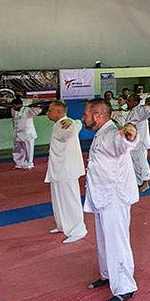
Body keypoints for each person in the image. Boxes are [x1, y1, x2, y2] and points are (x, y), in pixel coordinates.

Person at [81, 98, 141, 301]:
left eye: (86, 114)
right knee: (103, 240)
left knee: (116, 242)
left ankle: (125, 287)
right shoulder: (101, 133)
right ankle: (107, 274)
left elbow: (124, 140)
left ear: (97, 116)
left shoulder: (111, 134)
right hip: (102, 196)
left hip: (114, 197)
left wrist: (131, 132)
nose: (83, 118)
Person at [43, 100, 87, 244]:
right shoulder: (61, 123)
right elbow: (77, 125)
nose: (47, 113)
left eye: (50, 110)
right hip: (58, 170)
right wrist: (74, 121)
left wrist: (72, 122)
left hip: (66, 170)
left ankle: (78, 230)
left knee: (70, 200)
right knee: (58, 199)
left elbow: (73, 130)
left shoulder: (64, 124)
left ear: (59, 112)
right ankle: (62, 225)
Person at [121, 94, 150, 192]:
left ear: (135, 102)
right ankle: (138, 182)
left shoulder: (140, 110)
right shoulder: (132, 110)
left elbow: (149, 109)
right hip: (133, 142)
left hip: (140, 142)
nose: (127, 102)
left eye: (129, 101)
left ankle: (145, 183)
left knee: (141, 163)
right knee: (134, 163)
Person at [9, 97, 43, 170]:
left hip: (28, 134)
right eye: (12, 106)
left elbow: (38, 110)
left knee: (29, 150)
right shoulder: (13, 110)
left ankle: (29, 164)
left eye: (14, 106)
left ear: (20, 105)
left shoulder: (28, 110)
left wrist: (35, 103)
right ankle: (19, 163)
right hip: (17, 133)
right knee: (17, 149)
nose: (13, 107)